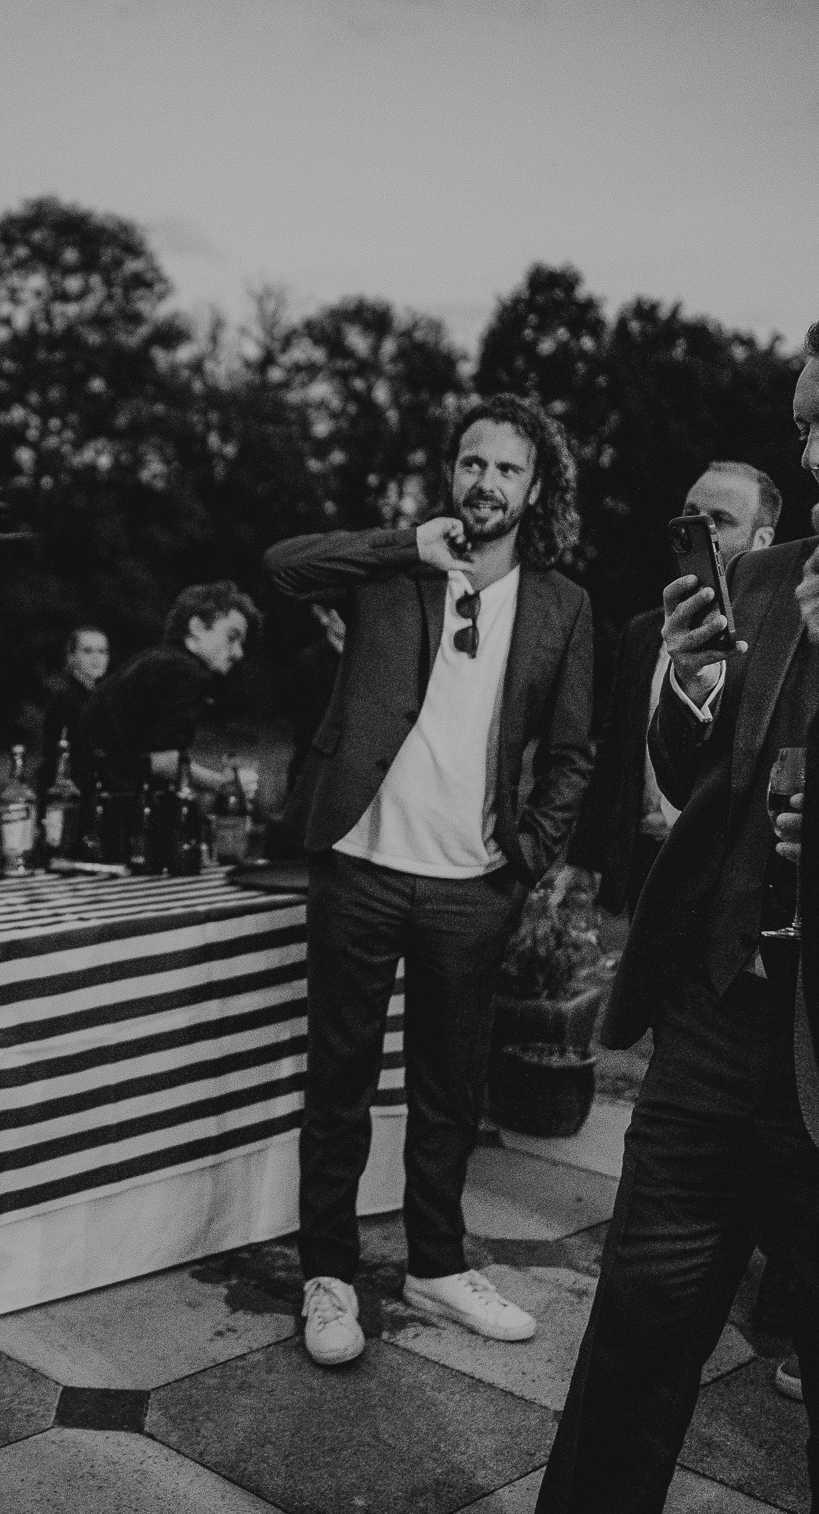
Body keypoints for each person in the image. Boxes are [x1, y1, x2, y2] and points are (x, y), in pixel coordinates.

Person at [538, 294, 819, 1514]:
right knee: (628, 1350)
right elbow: (707, 784)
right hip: (711, 1032)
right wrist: (687, 691)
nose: (811, 455)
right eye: (801, 430)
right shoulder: (773, 573)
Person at [265, 396, 594, 1368]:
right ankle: (327, 1273)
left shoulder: (561, 605)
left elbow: (574, 751)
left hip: (470, 887)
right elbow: (284, 565)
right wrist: (396, 543)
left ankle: (435, 1265)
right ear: (450, 471)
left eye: (506, 469)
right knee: (339, 1085)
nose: (485, 482)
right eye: (471, 462)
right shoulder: (391, 572)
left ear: (535, 490)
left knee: (451, 1091)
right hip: (361, 863)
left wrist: (525, 855)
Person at [567, 462, 778, 915]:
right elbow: (615, 750)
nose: (697, 530)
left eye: (719, 520)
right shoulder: (644, 633)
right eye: (690, 515)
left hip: (725, 877)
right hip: (639, 858)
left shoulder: (780, 642)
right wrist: (584, 862)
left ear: (763, 542)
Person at [72, 581, 257, 793]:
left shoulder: (156, 660)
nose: (238, 653)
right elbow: (165, 762)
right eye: (232, 637)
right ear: (196, 627)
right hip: (117, 805)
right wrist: (223, 785)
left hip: (94, 796)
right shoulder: (184, 671)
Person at [267, 605, 346, 858]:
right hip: (313, 768)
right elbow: (312, 719)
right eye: (341, 613)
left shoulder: (369, 660)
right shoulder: (309, 660)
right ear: (323, 616)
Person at [36, 623, 109, 797]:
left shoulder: (98, 698)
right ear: (71, 657)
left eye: (102, 651)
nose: (96, 658)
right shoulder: (65, 698)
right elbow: (59, 756)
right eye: (87, 651)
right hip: (67, 797)